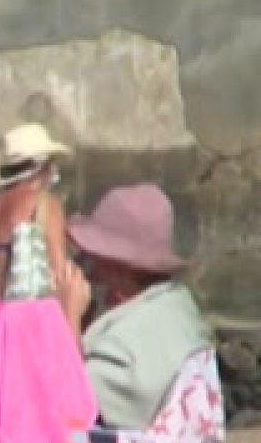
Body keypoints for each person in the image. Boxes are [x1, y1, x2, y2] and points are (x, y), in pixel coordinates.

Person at [54, 183, 209, 430]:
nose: (86, 266)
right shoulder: (177, 306)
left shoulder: (124, 348)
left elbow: (68, 401)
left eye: (93, 257)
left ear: (118, 265)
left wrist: (68, 318)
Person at [0, 123, 72, 300]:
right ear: (42, 167)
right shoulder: (44, 205)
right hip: (23, 320)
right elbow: (60, 277)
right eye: (51, 164)